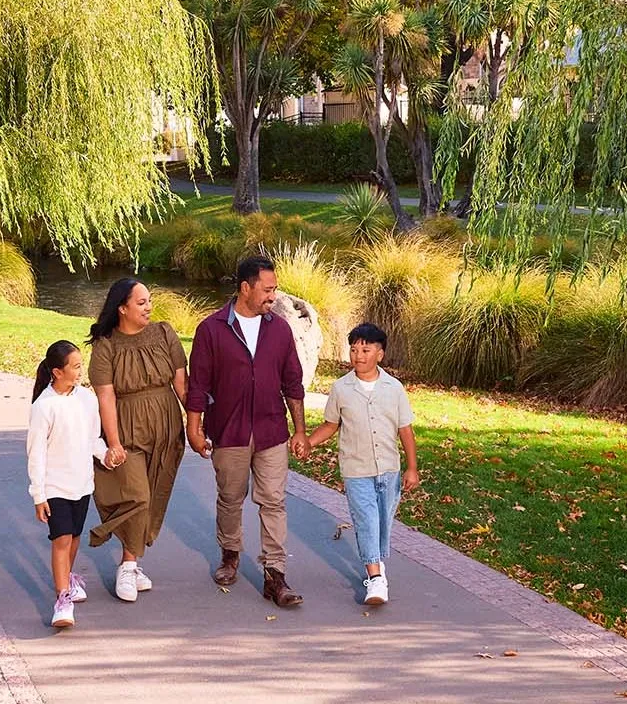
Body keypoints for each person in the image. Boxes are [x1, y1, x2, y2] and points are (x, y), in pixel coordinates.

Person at [185, 254, 308, 608]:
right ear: (245, 288)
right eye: (267, 289)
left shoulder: (280, 329)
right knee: (230, 498)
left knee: (273, 501)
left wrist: (299, 431)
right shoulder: (211, 329)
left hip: (271, 431)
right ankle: (230, 554)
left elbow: (293, 383)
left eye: (275, 289)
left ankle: (276, 575)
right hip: (229, 430)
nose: (273, 296)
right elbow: (199, 386)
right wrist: (194, 427)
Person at [86, 277, 187, 602]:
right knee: (136, 495)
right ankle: (128, 566)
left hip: (167, 425)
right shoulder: (106, 345)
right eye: (141, 302)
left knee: (155, 492)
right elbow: (105, 397)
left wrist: (199, 425)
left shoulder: (164, 333)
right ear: (122, 308)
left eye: (149, 300)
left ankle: (133, 560)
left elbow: (183, 386)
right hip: (127, 427)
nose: (149, 306)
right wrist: (113, 442)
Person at [304, 322, 419, 606]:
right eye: (354, 350)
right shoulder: (341, 388)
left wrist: (412, 467)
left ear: (380, 354)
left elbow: (405, 430)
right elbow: (331, 425)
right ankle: (376, 579)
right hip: (356, 470)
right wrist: (308, 442)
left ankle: (376, 563)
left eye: (365, 350)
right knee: (366, 521)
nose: (358, 356)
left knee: (382, 523)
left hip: (389, 470)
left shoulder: (394, 388)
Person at [26, 339, 105, 629]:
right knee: (60, 540)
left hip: (82, 484)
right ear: (57, 372)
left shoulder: (87, 399)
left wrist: (107, 455)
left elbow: (92, 439)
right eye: (74, 366)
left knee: (73, 538)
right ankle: (62, 600)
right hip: (55, 487)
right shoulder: (44, 407)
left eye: (80, 364)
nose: (80, 371)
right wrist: (39, 495)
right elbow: (36, 454)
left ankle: (68, 579)